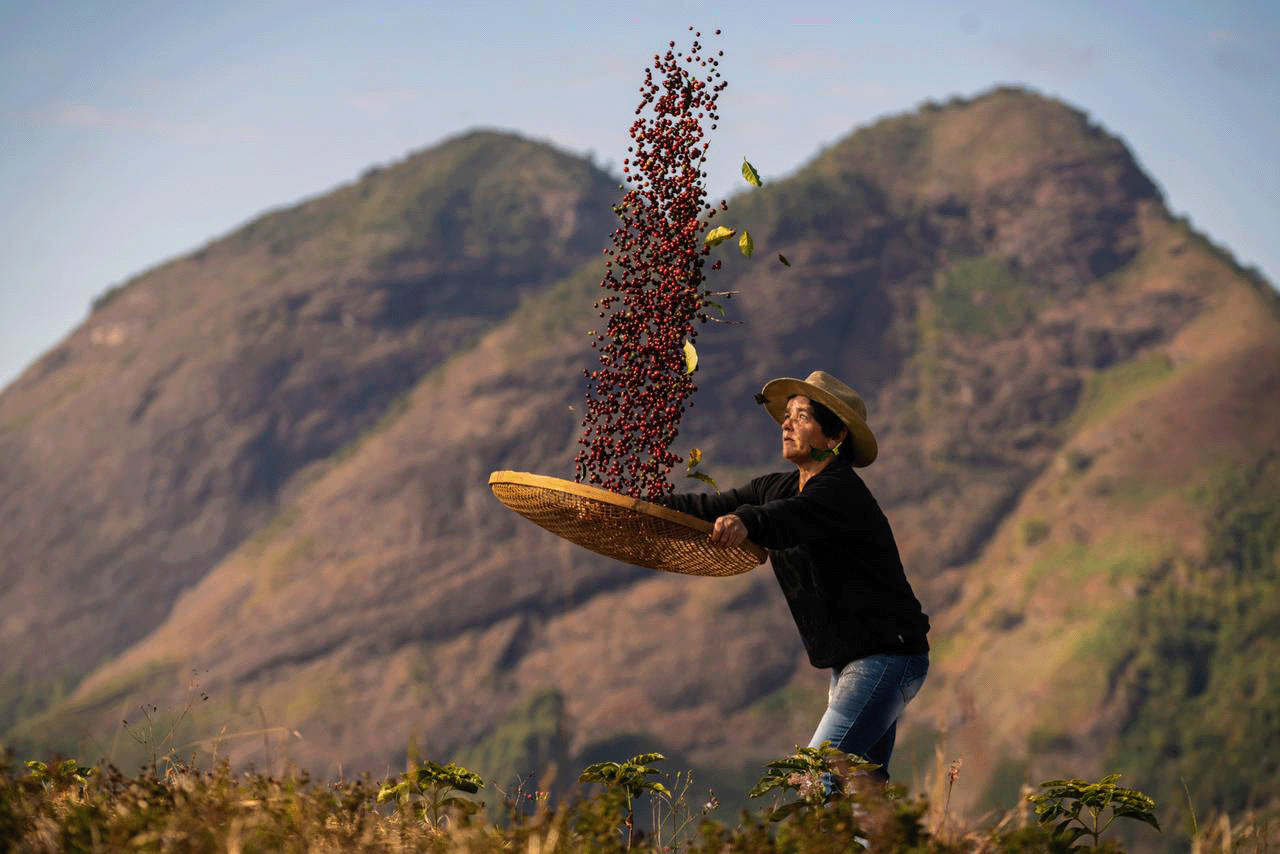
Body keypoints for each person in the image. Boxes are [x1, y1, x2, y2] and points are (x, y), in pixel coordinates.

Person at [658, 370, 930, 781]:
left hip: (887, 658)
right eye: (787, 415)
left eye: (802, 417)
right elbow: (710, 506)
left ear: (834, 437)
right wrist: (640, 505)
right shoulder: (777, 487)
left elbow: (787, 519)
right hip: (853, 661)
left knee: (817, 775)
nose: (786, 424)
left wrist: (746, 522)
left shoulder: (840, 492)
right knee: (864, 800)